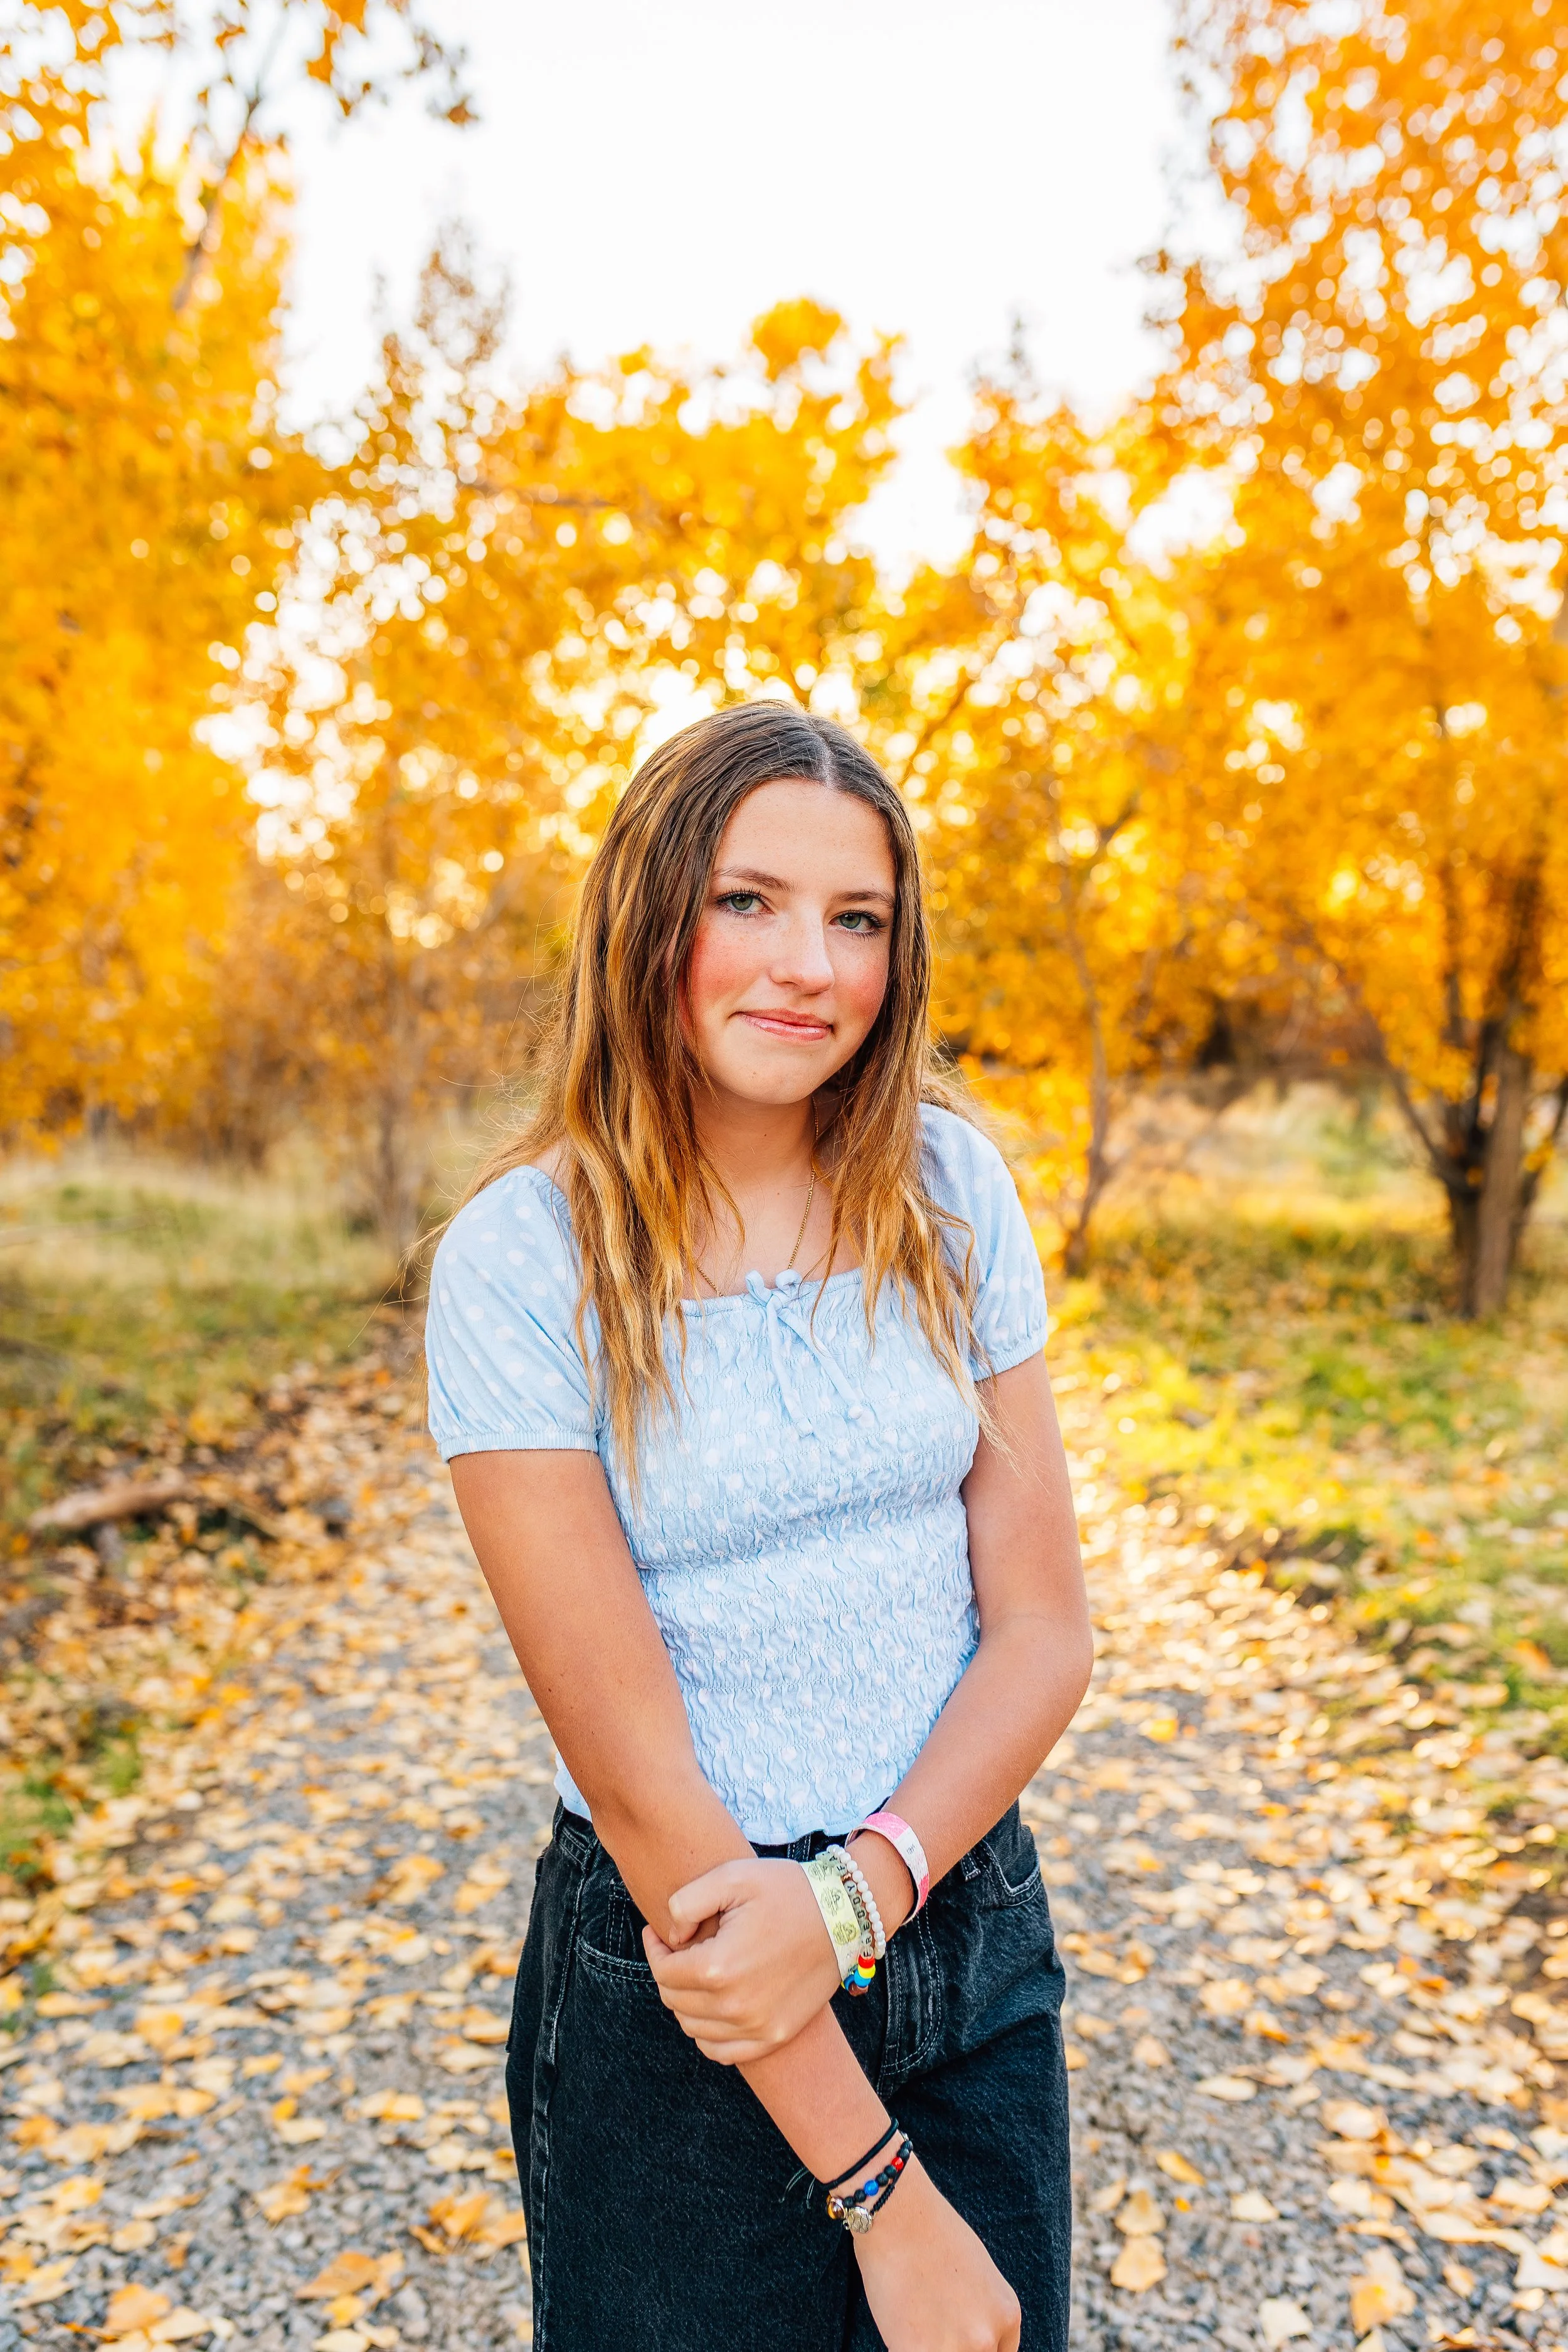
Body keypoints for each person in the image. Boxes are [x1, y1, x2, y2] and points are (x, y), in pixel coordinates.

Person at [425, 701, 1092, 2352]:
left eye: (855, 918)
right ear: (649, 917)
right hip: (682, 1991)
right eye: (747, 900)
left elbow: (1043, 1628)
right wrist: (881, 2193)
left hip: (960, 1923)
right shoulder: (522, 1262)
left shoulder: (951, 1194)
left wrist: (865, 1893)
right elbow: (645, 1782)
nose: (806, 961)